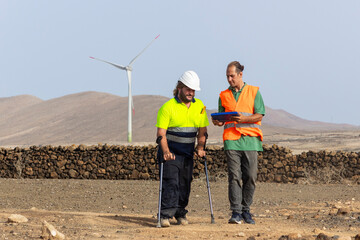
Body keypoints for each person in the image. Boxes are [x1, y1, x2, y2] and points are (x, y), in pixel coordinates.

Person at [212, 61, 265, 225]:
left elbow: (260, 115)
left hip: (251, 140)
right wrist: (218, 122)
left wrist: (244, 119)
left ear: (240, 74)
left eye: (232, 76)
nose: (229, 79)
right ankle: (236, 212)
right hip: (231, 141)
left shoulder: (254, 91)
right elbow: (222, 117)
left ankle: (246, 210)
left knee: (250, 176)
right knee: (234, 177)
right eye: (227, 76)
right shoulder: (223, 95)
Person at [156, 70, 209, 227]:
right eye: (188, 89)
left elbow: (202, 131)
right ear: (180, 87)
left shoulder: (199, 106)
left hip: (187, 154)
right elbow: (160, 134)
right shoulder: (167, 107)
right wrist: (166, 152)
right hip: (170, 153)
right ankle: (165, 215)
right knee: (171, 182)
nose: (191, 93)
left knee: (185, 184)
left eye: (193, 90)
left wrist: (200, 147)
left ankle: (180, 213)